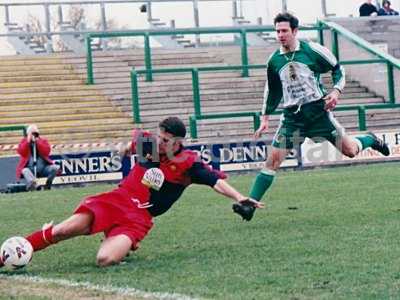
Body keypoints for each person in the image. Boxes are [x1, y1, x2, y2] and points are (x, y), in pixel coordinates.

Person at [0, 117, 262, 268]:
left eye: (166, 139)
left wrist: (240, 197)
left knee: (104, 260)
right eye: (159, 136)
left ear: (179, 142)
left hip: (138, 219)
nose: (160, 142)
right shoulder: (148, 143)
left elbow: (216, 181)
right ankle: (10, 255)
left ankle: (117, 241)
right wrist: (127, 148)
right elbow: (132, 143)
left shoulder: (189, 164)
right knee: (62, 231)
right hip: (117, 200)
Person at [232, 12, 390, 220]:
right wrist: (265, 117)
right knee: (273, 161)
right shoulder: (274, 61)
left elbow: (338, 70)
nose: (280, 35)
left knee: (350, 151)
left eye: (284, 31)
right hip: (292, 119)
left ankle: (370, 139)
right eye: (277, 31)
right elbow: (272, 90)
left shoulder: (312, 50)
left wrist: (335, 92)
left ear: (295, 31)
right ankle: (250, 206)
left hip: (318, 114)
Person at [16, 124, 60, 191]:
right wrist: (28, 141)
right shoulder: (24, 141)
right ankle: (34, 185)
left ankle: (48, 184)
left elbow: (47, 151)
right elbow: (21, 152)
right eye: (31, 133)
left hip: (44, 168)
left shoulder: (43, 141)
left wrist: (37, 142)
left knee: (56, 168)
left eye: (35, 133)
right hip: (30, 169)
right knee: (25, 170)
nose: (33, 134)